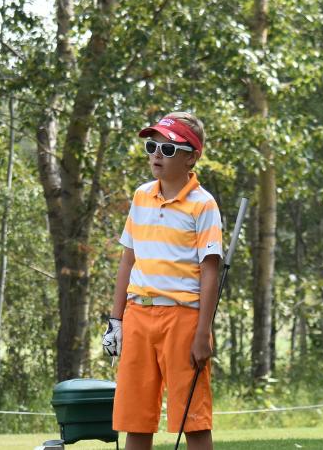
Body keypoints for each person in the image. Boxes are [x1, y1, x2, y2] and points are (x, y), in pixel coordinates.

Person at [102, 112, 223, 450]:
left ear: (191, 158)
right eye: (152, 147)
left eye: (168, 149)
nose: (157, 154)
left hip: (182, 318)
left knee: (192, 418)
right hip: (138, 315)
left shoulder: (203, 205)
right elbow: (128, 260)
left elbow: (210, 272)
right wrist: (115, 320)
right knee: (135, 418)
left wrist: (203, 333)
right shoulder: (141, 196)